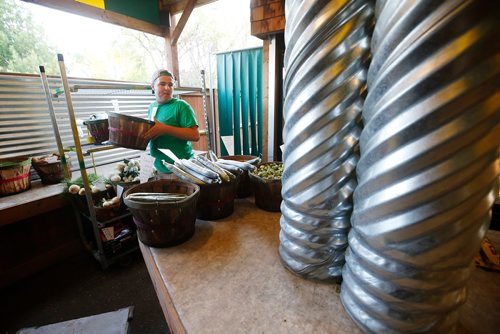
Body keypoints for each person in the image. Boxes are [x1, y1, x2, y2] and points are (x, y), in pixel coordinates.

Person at [143, 69, 200, 179]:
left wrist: (165, 129)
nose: (167, 88)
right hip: (158, 168)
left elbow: (195, 135)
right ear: (153, 86)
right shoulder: (152, 107)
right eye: (162, 84)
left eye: (170, 85)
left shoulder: (181, 106)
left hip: (180, 170)